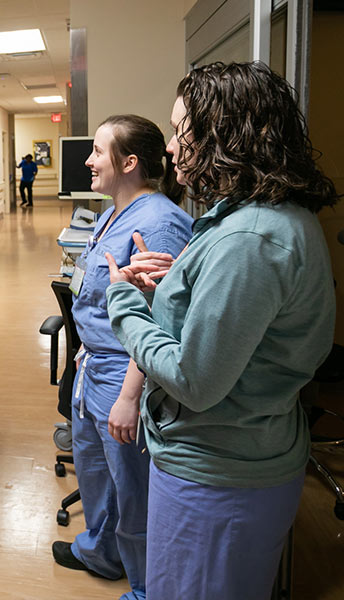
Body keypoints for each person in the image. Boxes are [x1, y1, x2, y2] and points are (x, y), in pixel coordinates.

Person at [104, 62, 339, 600]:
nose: (173, 150)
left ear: (222, 134)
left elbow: (196, 379)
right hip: (233, 457)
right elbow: (239, 328)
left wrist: (125, 304)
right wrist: (176, 290)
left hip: (218, 474)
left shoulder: (251, 239)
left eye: (181, 131)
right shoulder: (258, 218)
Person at [51, 115, 193, 600]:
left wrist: (130, 396)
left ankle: (147, 587)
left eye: (97, 151)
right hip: (94, 364)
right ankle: (101, 552)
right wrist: (85, 348)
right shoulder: (114, 210)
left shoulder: (160, 223)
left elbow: (160, 321)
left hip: (125, 373)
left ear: (129, 163)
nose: (88, 160)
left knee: (133, 490)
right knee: (95, 474)